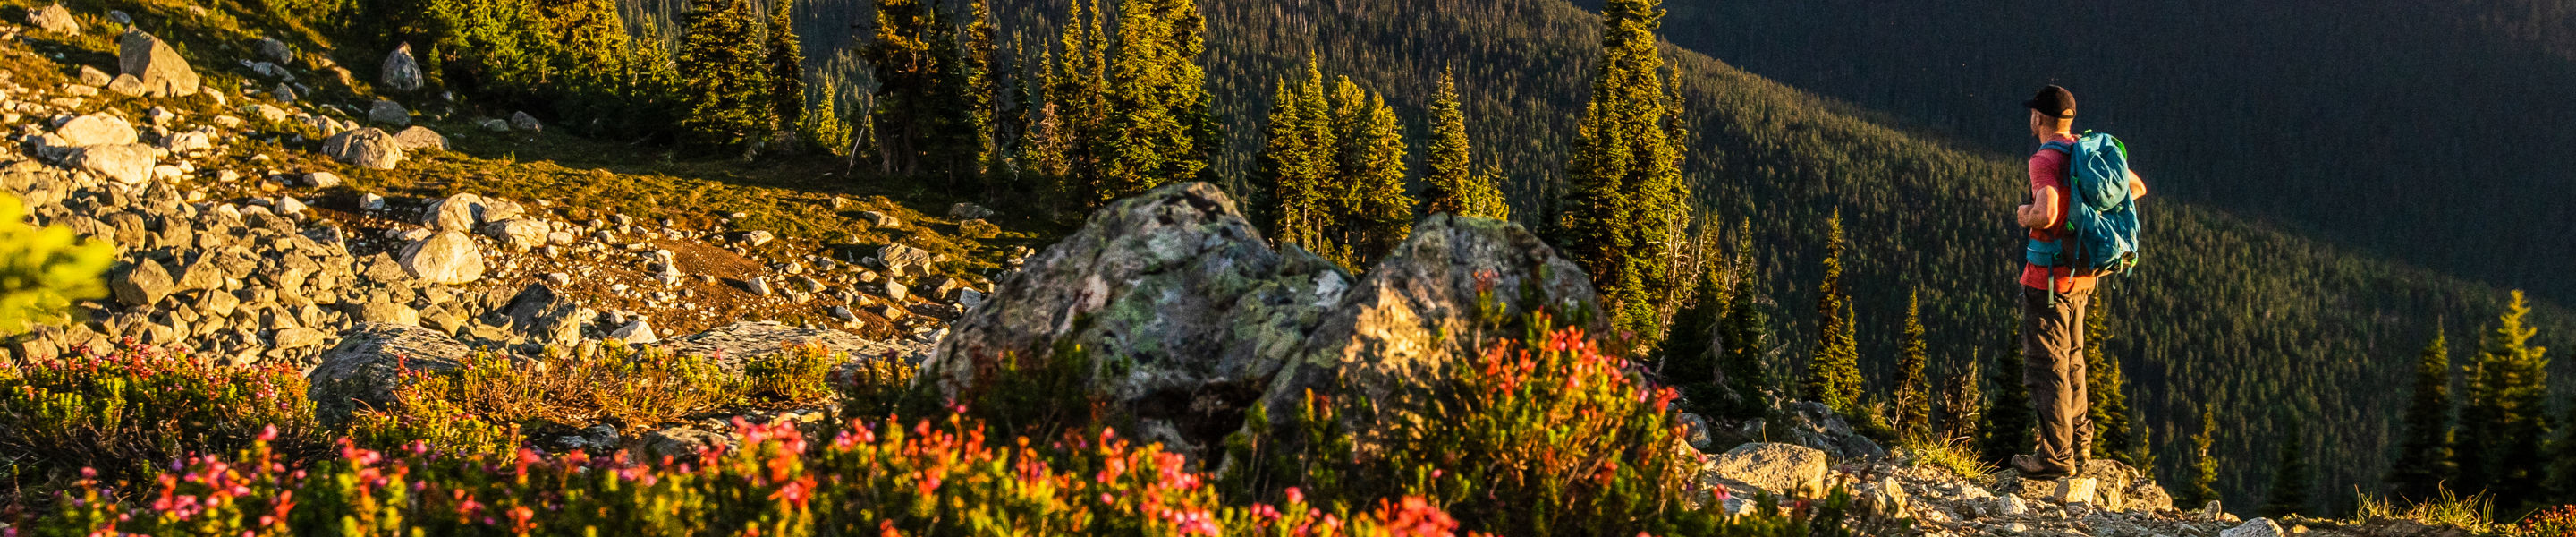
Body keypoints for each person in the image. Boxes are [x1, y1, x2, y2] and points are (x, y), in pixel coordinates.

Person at [2011, 85, 2148, 479]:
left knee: (2045, 365)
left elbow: (2047, 212)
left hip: (2048, 280)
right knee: (2073, 361)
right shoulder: (2087, 152)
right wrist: (2089, 212)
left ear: (2038, 118)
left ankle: (2055, 456)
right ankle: (2080, 448)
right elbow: (2135, 188)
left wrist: (2025, 215)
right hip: (2082, 276)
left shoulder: (2044, 158)